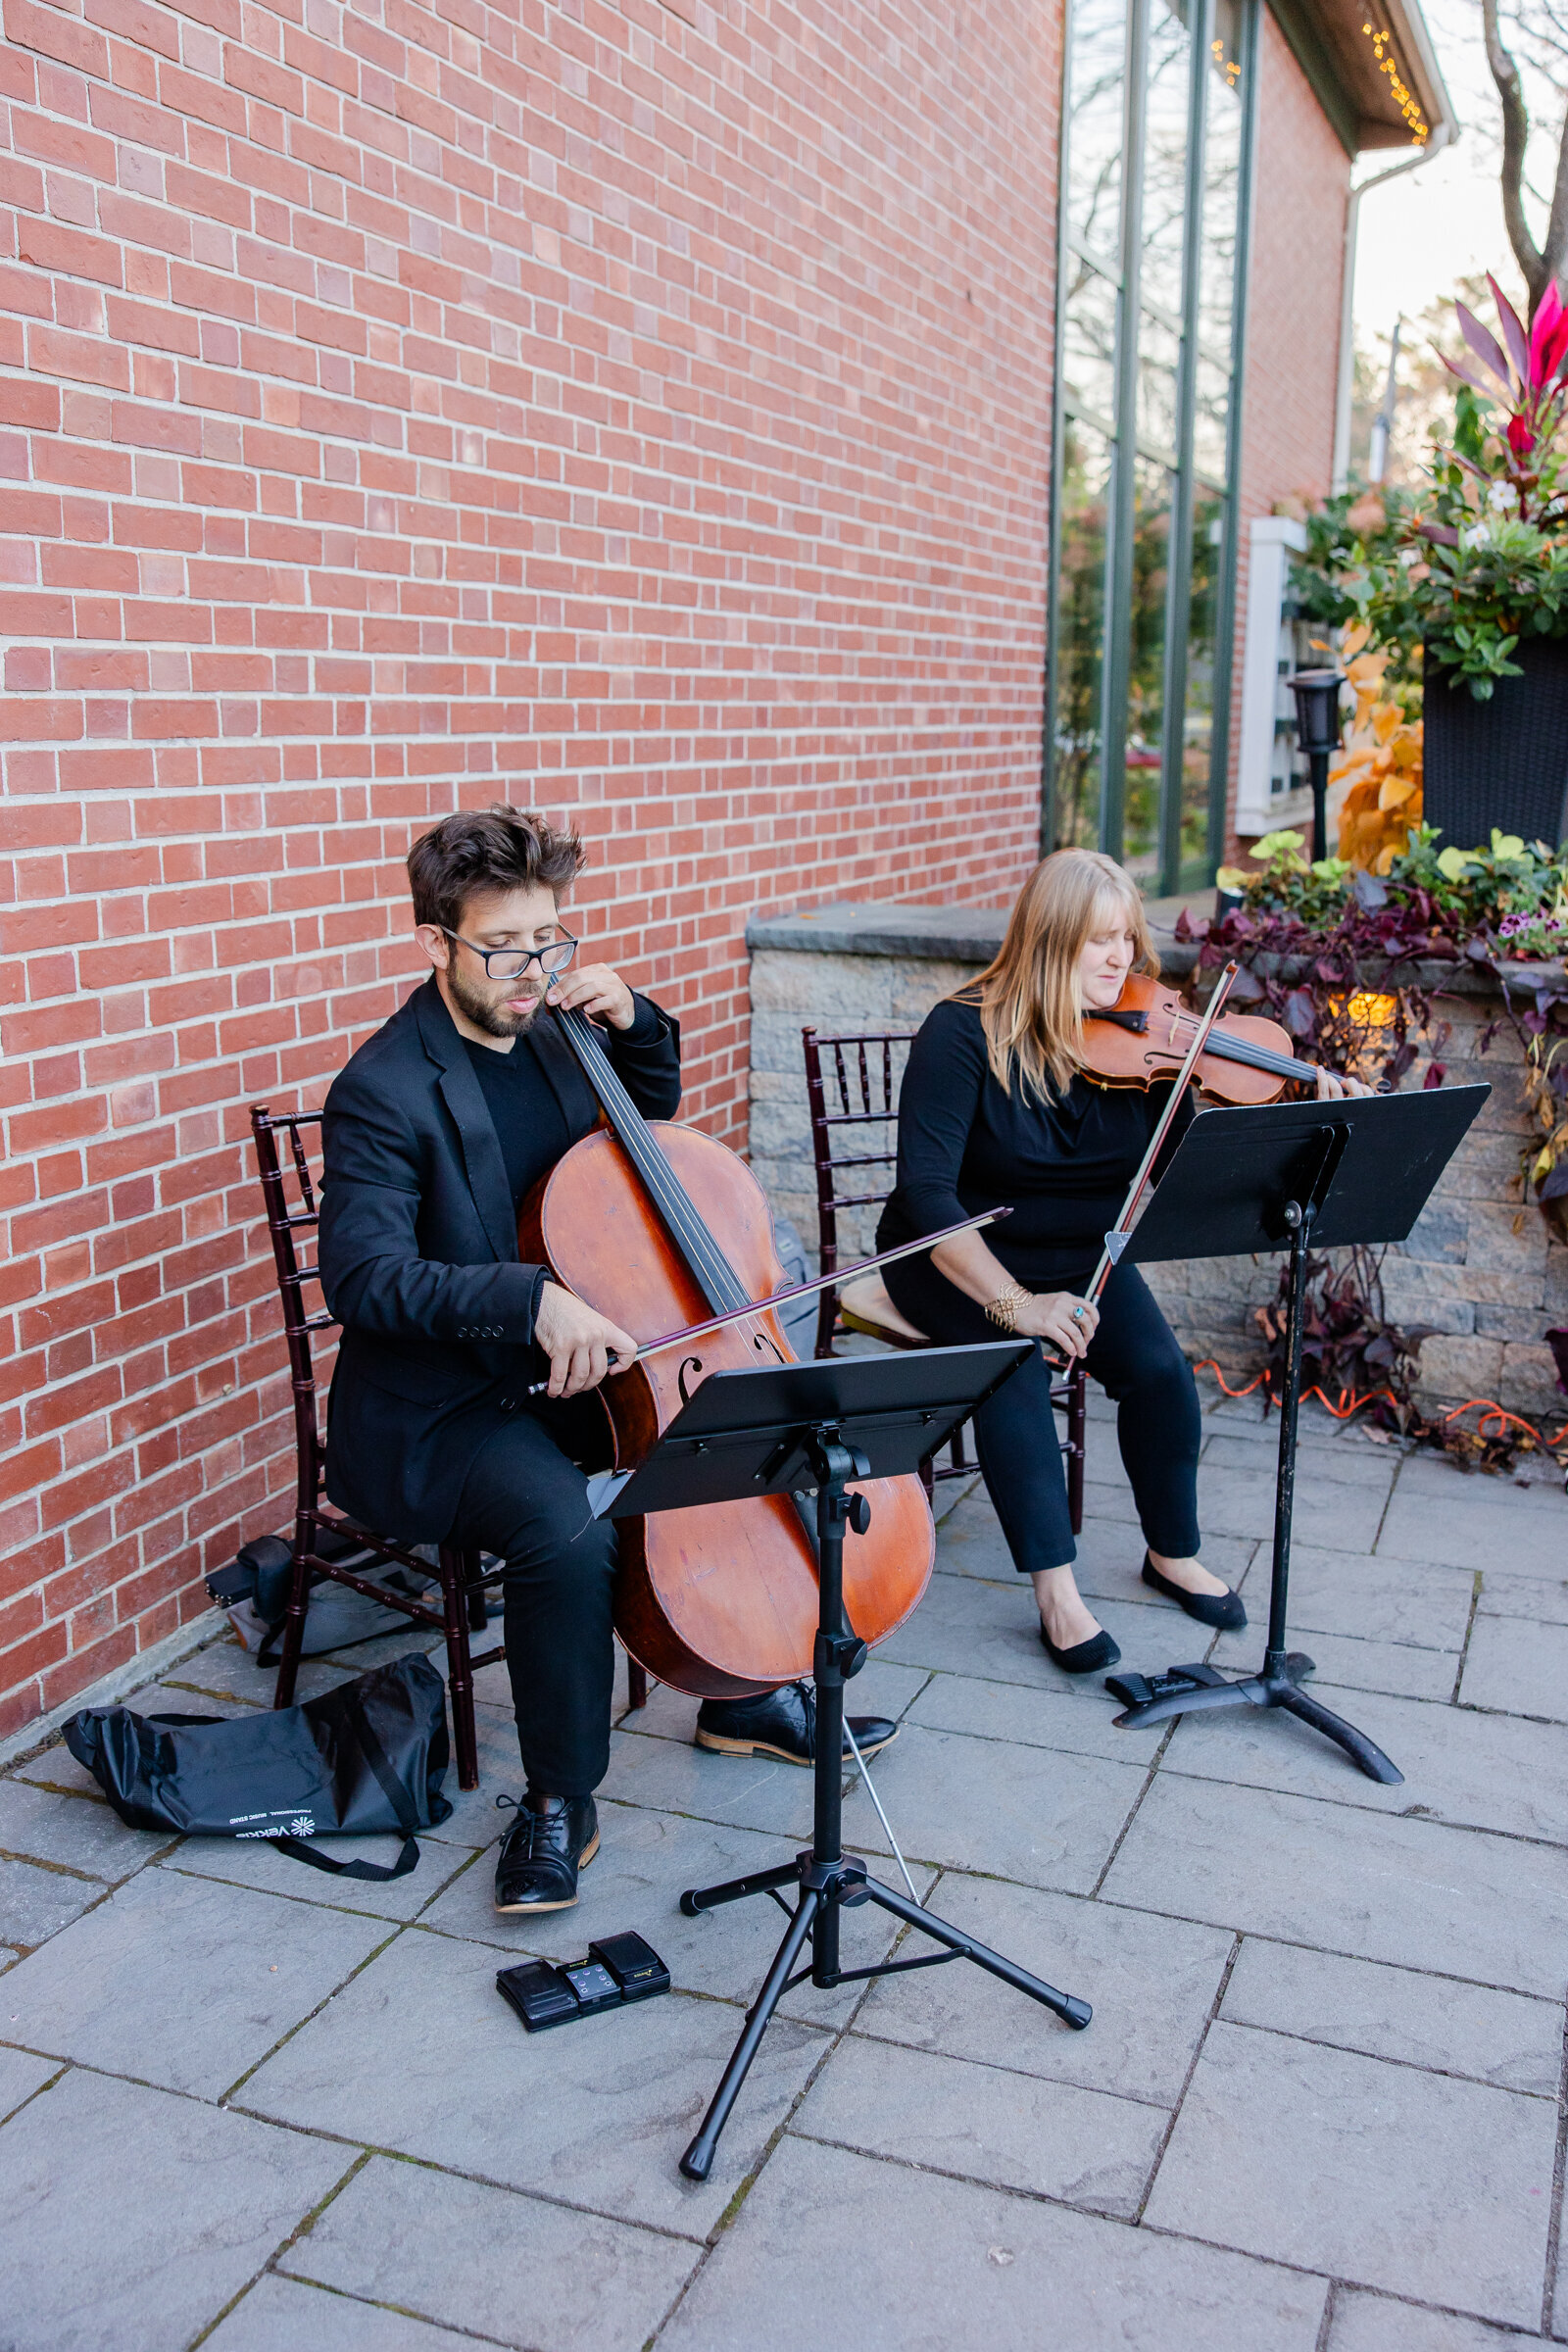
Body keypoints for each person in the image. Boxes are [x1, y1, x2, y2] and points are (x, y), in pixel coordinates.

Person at [318, 806, 895, 1916]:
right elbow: (365, 1281)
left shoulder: (559, 1036)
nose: (532, 971)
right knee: (566, 1531)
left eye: (551, 941)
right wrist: (525, 1300)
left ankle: (742, 1690)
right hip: (456, 1402)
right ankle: (558, 1800)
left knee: (748, 1442)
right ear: (434, 942)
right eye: (503, 949)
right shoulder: (383, 1091)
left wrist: (634, 1021)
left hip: (598, 1375)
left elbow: (650, 1132)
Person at [876, 847, 1367, 1674]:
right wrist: (1016, 1305)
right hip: (955, 1257)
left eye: (1127, 940)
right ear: (1048, 939)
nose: (1121, 960)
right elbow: (927, 1198)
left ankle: (1170, 1553)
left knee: (1162, 1376)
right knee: (1014, 1373)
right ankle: (1057, 1592)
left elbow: (1196, 1170)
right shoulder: (960, 1033)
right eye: (1099, 940)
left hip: (1076, 1256)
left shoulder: (1146, 1050)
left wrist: (1303, 1111)